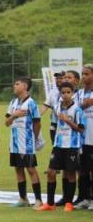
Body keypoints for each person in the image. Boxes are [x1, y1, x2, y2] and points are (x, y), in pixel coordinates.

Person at [40, 82, 84, 212]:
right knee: (51, 172)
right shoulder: (57, 107)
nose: (65, 95)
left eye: (68, 92)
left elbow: (81, 129)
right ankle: (50, 203)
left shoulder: (77, 109)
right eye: (63, 92)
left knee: (70, 173)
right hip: (58, 145)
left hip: (71, 146)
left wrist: (68, 120)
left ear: (73, 93)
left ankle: (69, 203)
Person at [5, 77, 43, 210]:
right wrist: (14, 115)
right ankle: (23, 198)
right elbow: (7, 123)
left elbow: (37, 123)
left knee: (31, 169)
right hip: (14, 143)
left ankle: (38, 200)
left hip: (27, 143)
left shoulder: (31, 103)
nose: (14, 86)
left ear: (25, 86)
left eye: (17, 84)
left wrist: (35, 138)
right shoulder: (13, 102)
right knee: (18, 169)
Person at [75, 65, 93, 210]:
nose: (83, 77)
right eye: (82, 74)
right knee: (84, 169)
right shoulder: (79, 93)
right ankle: (85, 198)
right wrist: (84, 104)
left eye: (86, 74)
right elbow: (74, 108)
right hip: (82, 138)